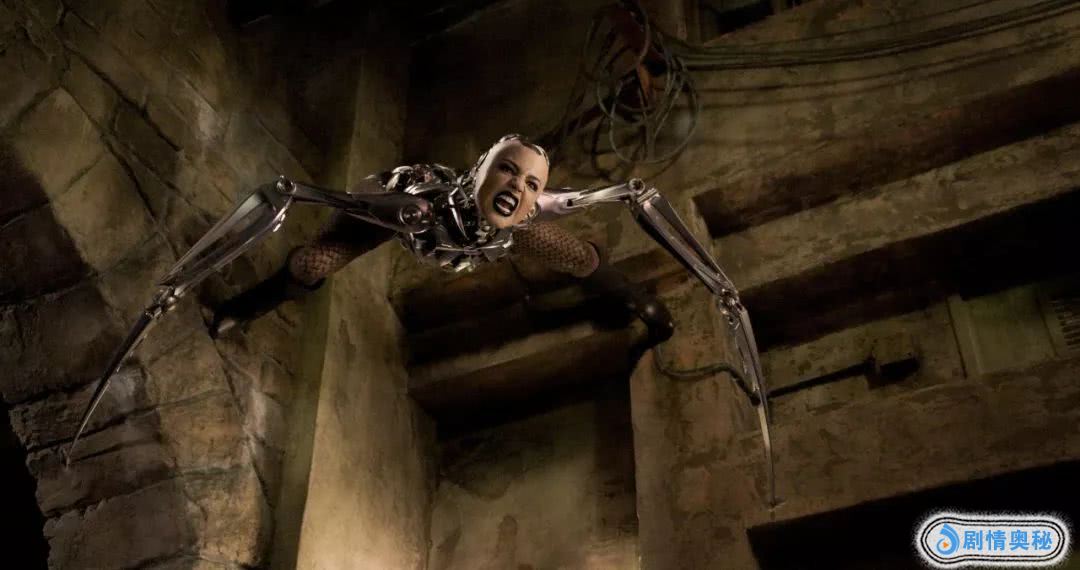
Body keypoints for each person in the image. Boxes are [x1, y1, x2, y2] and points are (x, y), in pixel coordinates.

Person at [210, 134, 675, 347]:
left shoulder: (523, 220)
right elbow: (358, 198)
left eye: (531, 184)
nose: (517, 186)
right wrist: (382, 206)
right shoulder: (424, 194)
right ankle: (245, 307)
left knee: (579, 257)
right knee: (311, 265)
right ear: (480, 171)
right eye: (507, 170)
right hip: (405, 223)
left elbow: (575, 216)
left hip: (490, 241)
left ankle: (637, 301)